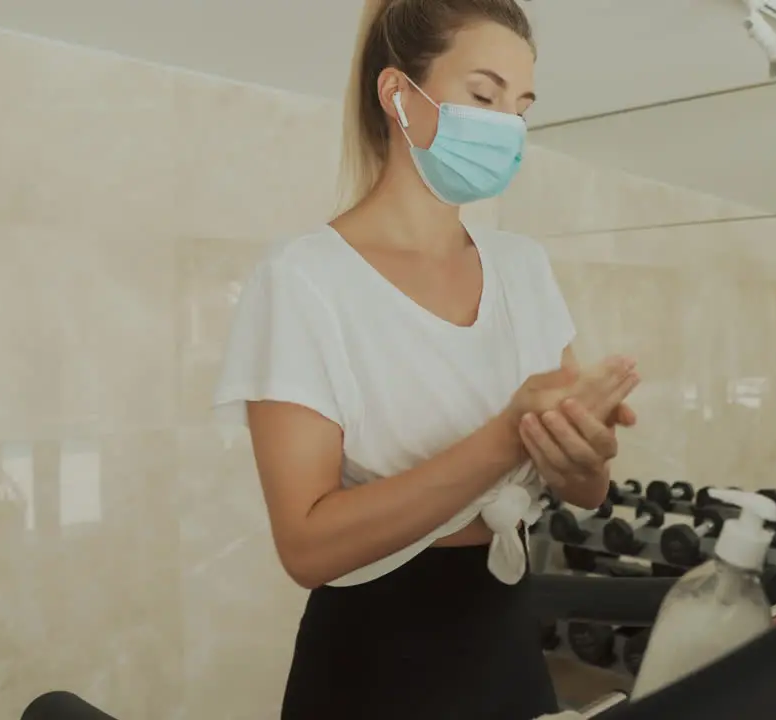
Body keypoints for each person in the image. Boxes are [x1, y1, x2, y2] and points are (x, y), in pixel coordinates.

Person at [212, 1, 640, 718]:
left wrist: (582, 453)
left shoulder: (524, 267)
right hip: (373, 666)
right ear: (397, 95)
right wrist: (505, 436)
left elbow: (586, 494)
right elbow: (308, 547)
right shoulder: (304, 277)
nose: (507, 125)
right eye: (483, 95)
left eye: (521, 106)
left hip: (508, 647)